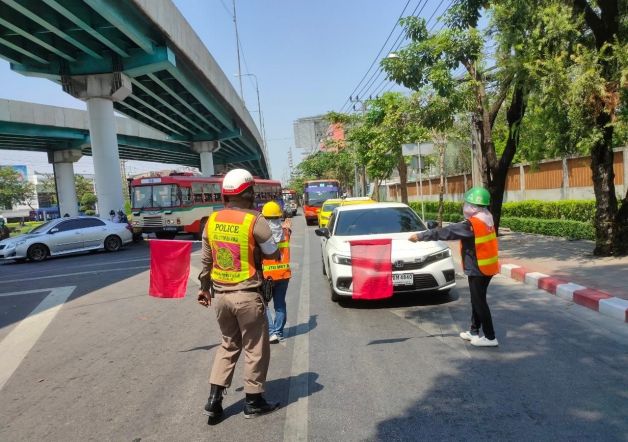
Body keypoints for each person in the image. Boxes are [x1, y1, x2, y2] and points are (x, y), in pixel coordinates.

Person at [197, 168, 281, 424]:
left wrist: (204, 288)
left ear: (226, 196)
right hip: (247, 296)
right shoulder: (255, 220)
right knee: (255, 348)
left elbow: (206, 261)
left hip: (221, 297)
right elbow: (273, 253)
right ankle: (253, 402)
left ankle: (214, 400)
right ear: (249, 194)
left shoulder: (212, 221)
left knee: (228, 345)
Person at [408, 186, 499, 347]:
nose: (465, 206)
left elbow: (447, 232)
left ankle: (490, 337)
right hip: (486, 266)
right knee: (477, 300)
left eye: (467, 203)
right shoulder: (487, 217)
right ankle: (473, 331)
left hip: (478, 267)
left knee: (479, 302)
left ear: (473, 206)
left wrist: (421, 236)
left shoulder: (473, 224)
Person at [261, 201, 292, 344]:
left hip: (266, 276)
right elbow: (287, 228)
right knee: (280, 305)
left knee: (263, 304)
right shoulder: (286, 232)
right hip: (283, 275)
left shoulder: (261, 235)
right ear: (279, 217)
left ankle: (272, 332)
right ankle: (278, 332)